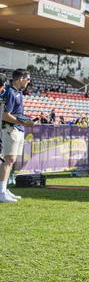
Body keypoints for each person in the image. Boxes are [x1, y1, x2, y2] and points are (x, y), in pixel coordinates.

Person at [1, 69, 34, 203]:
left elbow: (15, 113)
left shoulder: (18, 92)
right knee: (7, 160)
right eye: (27, 79)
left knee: (11, 160)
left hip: (17, 129)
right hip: (11, 129)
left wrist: (26, 120)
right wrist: (23, 121)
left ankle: (4, 189)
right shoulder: (9, 92)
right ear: (20, 78)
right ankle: (1, 191)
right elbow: (5, 115)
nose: (29, 81)